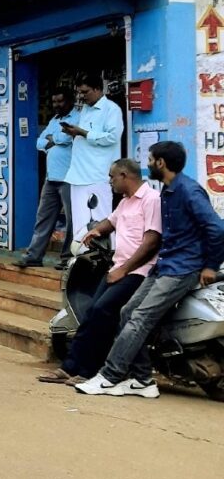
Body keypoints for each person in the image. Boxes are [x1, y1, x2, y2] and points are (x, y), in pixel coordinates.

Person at [76, 141, 224, 398]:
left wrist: (210, 265)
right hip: (166, 264)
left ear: (161, 163)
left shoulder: (188, 191)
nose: (147, 164)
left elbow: (217, 229)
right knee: (127, 313)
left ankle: (110, 375)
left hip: (182, 269)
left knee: (140, 318)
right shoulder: (167, 192)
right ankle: (143, 380)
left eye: (150, 159)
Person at [37, 158, 160, 385]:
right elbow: (110, 221)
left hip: (138, 272)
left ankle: (90, 371)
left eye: (112, 177)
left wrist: (124, 270)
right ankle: (70, 367)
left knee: (103, 311)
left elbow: (152, 241)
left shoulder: (150, 199)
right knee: (92, 312)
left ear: (124, 175)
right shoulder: (125, 202)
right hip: (117, 267)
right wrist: (94, 232)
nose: (110, 181)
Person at [16, 88, 78, 269]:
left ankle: (67, 259)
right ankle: (34, 256)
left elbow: (67, 139)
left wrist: (54, 138)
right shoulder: (54, 120)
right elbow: (39, 142)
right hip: (51, 178)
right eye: (54, 102)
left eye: (60, 101)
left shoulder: (77, 118)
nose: (57, 105)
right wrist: (54, 139)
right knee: (43, 218)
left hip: (69, 177)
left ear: (70, 101)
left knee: (72, 220)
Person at [61, 72, 124, 246]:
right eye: (79, 92)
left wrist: (82, 132)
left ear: (97, 89)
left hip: (99, 175)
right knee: (80, 225)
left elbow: (112, 137)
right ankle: (82, 261)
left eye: (85, 92)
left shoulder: (111, 110)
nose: (82, 96)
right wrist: (73, 133)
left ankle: (105, 261)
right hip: (78, 175)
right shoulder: (85, 111)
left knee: (101, 221)